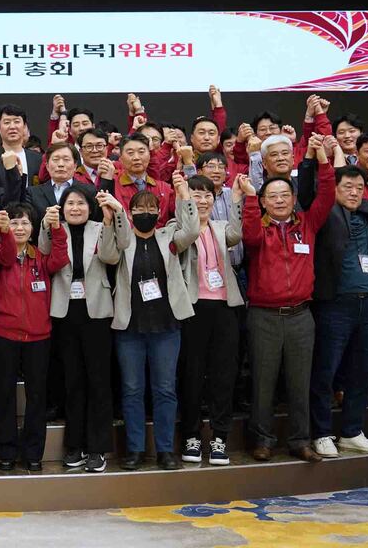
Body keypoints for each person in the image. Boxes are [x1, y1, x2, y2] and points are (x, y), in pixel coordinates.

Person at [308, 143, 368, 459]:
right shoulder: (326, 214)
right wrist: (318, 158)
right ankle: (321, 432)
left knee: (363, 371)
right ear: (334, 189)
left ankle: (352, 431)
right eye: (347, 187)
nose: (354, 192)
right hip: (335, 304)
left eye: (358, 187)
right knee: (326, 371)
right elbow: (312, 189)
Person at [241, 137, 335, 463]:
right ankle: (262, 440)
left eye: (285, 195)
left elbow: (327, 195)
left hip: (301, 316)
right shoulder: (259, 227)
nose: (279, 200)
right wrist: (250, 200)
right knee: (263, 383)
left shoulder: (307, 224)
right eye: (272, 196)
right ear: (264, 202)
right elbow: (249, 236)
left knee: (300, 382)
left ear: (294, 199)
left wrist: (323, 160)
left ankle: (300, 440)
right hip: (264, 316)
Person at [111, 175, 197, 471]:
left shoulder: (168, 236)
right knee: (132, 390)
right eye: (138, 208)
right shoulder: (123, 240)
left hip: (166, 327)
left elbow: (191, 230)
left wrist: (183, 193)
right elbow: (108, 255)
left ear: (159, 212)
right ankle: (135, 449)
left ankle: (165, 450)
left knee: (165, 390)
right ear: (130, 211)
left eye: (150, 208)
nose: (144, 212)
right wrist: (114, 215)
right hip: (130, 329)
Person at [0, 202, 68, 472]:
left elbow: (60, 258)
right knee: (4, 394)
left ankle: (33, 453)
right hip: (3, 334)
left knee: (37, 396)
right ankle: (6, 451)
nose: (19, 228)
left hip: (38, 336)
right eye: (14, 223)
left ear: (33, 228)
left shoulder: (40, 256)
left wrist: (56, 228)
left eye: (25, 223)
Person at [42, 186, 126, 473]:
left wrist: (110, 220)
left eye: (80, 203)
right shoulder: (56, 227)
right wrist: (47, 226)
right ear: (61, 207)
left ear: (90, 207)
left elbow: (111, 257)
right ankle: (74, 445)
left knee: (98, 381)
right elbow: (44, 254)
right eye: (70, 203)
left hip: (97, 312)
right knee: (73, 381)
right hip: (64, 312)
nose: (75, 208)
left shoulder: (99, 226)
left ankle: (97, 448)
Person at [176, 175, 245, 467]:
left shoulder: (220, 227)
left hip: (224, 307)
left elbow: (236, 235)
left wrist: (237, 199)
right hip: (193, 308)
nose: (202, 201)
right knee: (191, 375)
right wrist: (184, 198)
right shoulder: (176, 228)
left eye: (207, 196)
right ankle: (191, 435)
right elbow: (189, 233)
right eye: (196, 195)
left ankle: (220, 437)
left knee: (223, 375)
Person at [100, 134, 174, 225]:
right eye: (130, 153)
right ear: (121, 159)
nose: (136, 157)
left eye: (141, 152)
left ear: (149, 155)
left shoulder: (164, 188)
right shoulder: (112, 184)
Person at [0, 104, 41, 188]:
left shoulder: (38, 159)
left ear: (24, 126)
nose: (12, 127)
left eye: (17, 122)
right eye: (7, 122)